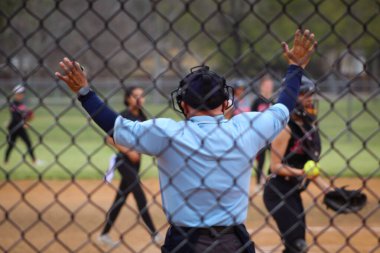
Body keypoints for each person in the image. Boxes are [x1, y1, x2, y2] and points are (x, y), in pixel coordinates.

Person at [55, 29, 317, 253]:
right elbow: (283, 107)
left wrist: (84, 92)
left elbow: (114, 125)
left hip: (184, 242)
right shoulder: (246, 128)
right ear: (226, 102)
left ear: (182, 103)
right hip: (234, 242)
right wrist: (295, 68)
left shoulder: (168, 134)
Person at [263, 76, 331, 253]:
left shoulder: (308, 127)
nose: (309, 99)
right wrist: (302, 173)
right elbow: (275, 167)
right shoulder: (286, 128)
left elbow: (309, 166)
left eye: (311, 94)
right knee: (296, 244)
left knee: (297, 244)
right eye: (304, 94)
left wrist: (328, 190)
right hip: (277, 192)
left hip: (293, 192)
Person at [98, 86, 160, 247]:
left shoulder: (142, 116)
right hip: (123, 161)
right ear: (127, 99)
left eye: (142, 95)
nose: (139, 99)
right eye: (135, 96)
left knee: (120, 198)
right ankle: (155, 234)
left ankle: (104, 234)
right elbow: (109, 138)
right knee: (140, 195)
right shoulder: (123, 116)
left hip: (135, 164)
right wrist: (129, 150)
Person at [251, 75, 274, 189]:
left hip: (272, 135)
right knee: (261, 160)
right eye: (266, 85)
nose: (268, 87)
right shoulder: (257, 101)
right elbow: (251, 118)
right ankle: (258, 183)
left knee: (275, 157)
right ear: (261, 87)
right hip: (260, 134)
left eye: (270, 85)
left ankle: (270, 181)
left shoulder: (273, 100)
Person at [4, 84, 36, 164]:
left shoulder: (22, 105)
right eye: (18, 93)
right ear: (15, 94)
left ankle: (34, 160)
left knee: (28, 142)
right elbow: (15, 117)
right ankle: (6, 161)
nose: (21, 95)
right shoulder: (13, 104)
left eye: (22, 93)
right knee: (11, 145)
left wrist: (28, 119)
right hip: (14, 127)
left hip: (20, 127)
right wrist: (23, 123)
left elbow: (25, 116)